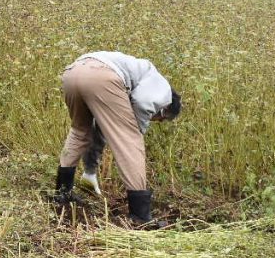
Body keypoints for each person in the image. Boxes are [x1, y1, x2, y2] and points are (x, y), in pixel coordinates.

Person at [55, 51, 182, 226]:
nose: (156, 120)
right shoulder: (164, 93)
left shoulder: (138, 76)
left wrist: (90, 170)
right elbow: (144, 103)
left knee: (79, 131)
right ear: (165, 110)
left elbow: (101, 129)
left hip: (73, 72)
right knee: (130, 141)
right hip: (102, 76)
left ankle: (62, 193)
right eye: (159, 120)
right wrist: (138, 130)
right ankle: (140, 215)